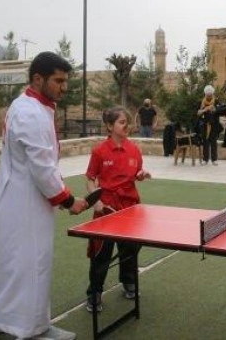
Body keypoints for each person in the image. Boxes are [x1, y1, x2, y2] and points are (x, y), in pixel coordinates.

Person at [0, 52, 88, 340]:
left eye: (65, 81)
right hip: (26, 202)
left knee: (12, 261)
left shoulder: (29, 106)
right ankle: (34, 329)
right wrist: (69, 200)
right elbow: (42, 168)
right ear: (37, 79)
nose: (63, 87)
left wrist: (61, 193)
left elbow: (44, 164)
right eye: (58, 80)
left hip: (20, 198)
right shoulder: (30, 112)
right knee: (33, 263)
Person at [85, 106, 152, 313]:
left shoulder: (134, 149)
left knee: (129, 250)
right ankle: (94, 292)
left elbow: (136, 173)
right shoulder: (99, 151)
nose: (127, 126)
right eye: (122, 122)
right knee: (101, 254)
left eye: (128, 123)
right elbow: (89, 178)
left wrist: (141, 174)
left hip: (130, 207)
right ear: (109, 126)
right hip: (106, 208)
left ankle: (129, 282)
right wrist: (96, 201)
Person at [197, 85, 224, 165]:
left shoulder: (216, 101)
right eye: (207, 95)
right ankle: (205, 159)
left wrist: (214, 110)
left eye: (210, 95)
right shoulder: (201, 102)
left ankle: (214, 159)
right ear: (205, 94)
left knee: (213, 142)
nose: (209, 96)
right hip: (205, 125)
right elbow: (198, 113)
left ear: (212, 94)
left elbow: (220, 111)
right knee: (205, 142)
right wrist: (204, 110)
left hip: (214, 124)